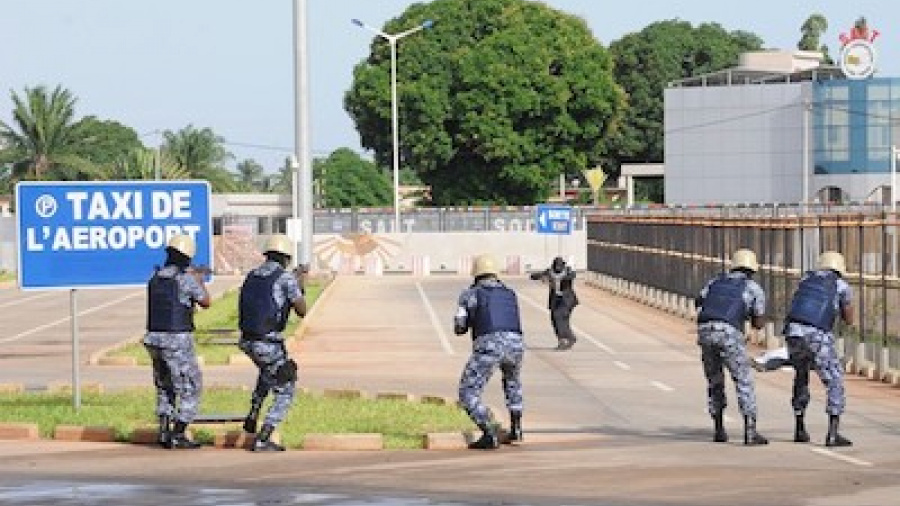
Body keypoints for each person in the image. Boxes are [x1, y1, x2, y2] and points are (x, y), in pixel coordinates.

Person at [238, 234, 306, 452]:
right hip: (267, 341)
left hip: (248, 340)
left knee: (268, 372)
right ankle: (264, 436)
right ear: (286, 257)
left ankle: (253, 412)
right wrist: (299, 283)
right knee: (286, 384)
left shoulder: (252, 274)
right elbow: (302, 310)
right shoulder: (285, 278)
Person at [143, 234, 211, 449]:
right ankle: (179, 432)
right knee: (191, 386)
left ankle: (164, 431)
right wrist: (199, 279)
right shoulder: (185, 279)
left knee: (165, 386)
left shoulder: (155, 277)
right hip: (176, 340)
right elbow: (206, 301)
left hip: (154, 338)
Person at [695, 248, 768, 445]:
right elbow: (758, 323)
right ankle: (750, 431)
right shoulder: (753, 288)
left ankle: (718, 429)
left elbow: (699, 302)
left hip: (705, 331)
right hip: (729, 334)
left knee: (714, 381)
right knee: (743, 380)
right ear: (752, 269)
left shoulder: (715, 282)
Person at [454, 254, 525, 450]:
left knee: (467, 392)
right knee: (513, 383)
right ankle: (517, 428)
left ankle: (488, 431)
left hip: (489, 346)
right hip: (516, 345)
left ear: (475, 274)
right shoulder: (509, 293)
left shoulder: (470, 295)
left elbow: (459, 327)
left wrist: (467, 317)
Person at [783, 251, 854, 447]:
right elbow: (848, 319)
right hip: (817, 335)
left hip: (794, 332)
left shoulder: (805, 280)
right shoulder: (841, 286)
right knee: (834, 380)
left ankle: (799, 427)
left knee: (801, 375)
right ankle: (833, 433)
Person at [529, 256, 579, 350]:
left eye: (560, 267)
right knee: (555, 319)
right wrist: (541, 277)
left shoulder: (567, 271)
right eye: (556, 267)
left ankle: (564, 340)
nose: (558, 269)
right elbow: (533, 276)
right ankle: (568, 337)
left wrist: (565, 277)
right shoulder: (550, 272)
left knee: (559, 316)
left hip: (567, 300)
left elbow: (572, 276)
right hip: (555, 300)